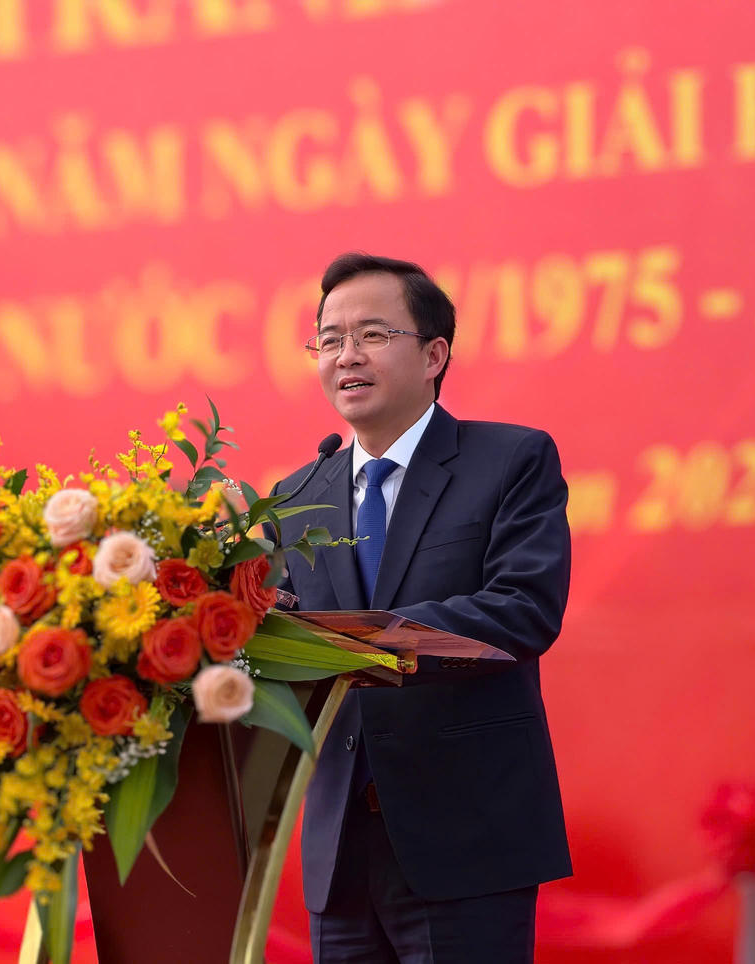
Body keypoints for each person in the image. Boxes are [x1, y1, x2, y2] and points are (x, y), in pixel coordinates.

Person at [270, 253, 572, 963]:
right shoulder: (295, 497)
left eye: (372, 335)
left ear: (435, 355)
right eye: (330, 340)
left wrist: (354, 643)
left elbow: (522, 609)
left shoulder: (510, 460)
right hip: (340, 850)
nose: (347, 356)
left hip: (467, 839)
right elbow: (282, 638)